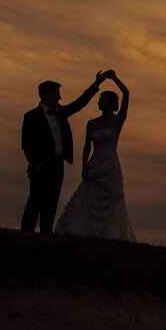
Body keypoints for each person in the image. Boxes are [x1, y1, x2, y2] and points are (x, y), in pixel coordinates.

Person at [20, 70, 111, 232]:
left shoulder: (60, 112)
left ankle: (46, 236)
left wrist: (97, 84)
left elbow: (79, 103)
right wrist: (37, 164)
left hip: (57, 165)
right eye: (57, 95)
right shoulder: (31, 116)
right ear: (48, 95)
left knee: (51, 204)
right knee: (35, 202)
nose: (60, 98)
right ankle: (24, 235)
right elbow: (26, 144)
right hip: (40, 166)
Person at [54, 72, 136, 241]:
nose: (99, 102)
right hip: (95, 164)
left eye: (103, 99)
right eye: (99, 99)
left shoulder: (118, 120)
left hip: (111, 166)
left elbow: (126, 93)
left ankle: (108, 234)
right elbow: (86, 147)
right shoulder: (92, 123)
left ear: (112, 103)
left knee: (110, 200)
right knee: (88, 197)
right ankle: (87, 232)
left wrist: (113, 78)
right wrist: (84, 165)